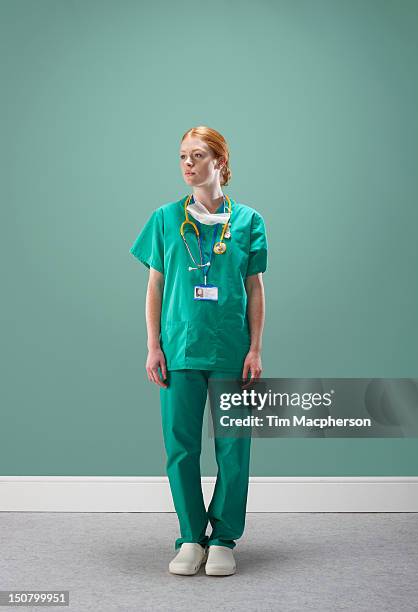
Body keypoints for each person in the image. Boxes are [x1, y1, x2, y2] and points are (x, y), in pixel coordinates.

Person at [129, 126, 268, 576]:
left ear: (220, 162)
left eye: (198, 155)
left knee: (233, 447)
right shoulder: (165, 220)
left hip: (231, 350)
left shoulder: (248, 221)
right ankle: (191, 537)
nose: (188, 164)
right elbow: (155, 286)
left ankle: (224, 538)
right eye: (183, 156)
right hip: (180, 349)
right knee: (182, 448)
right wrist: (153, 345)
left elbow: (255, 288)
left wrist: (256, 348)